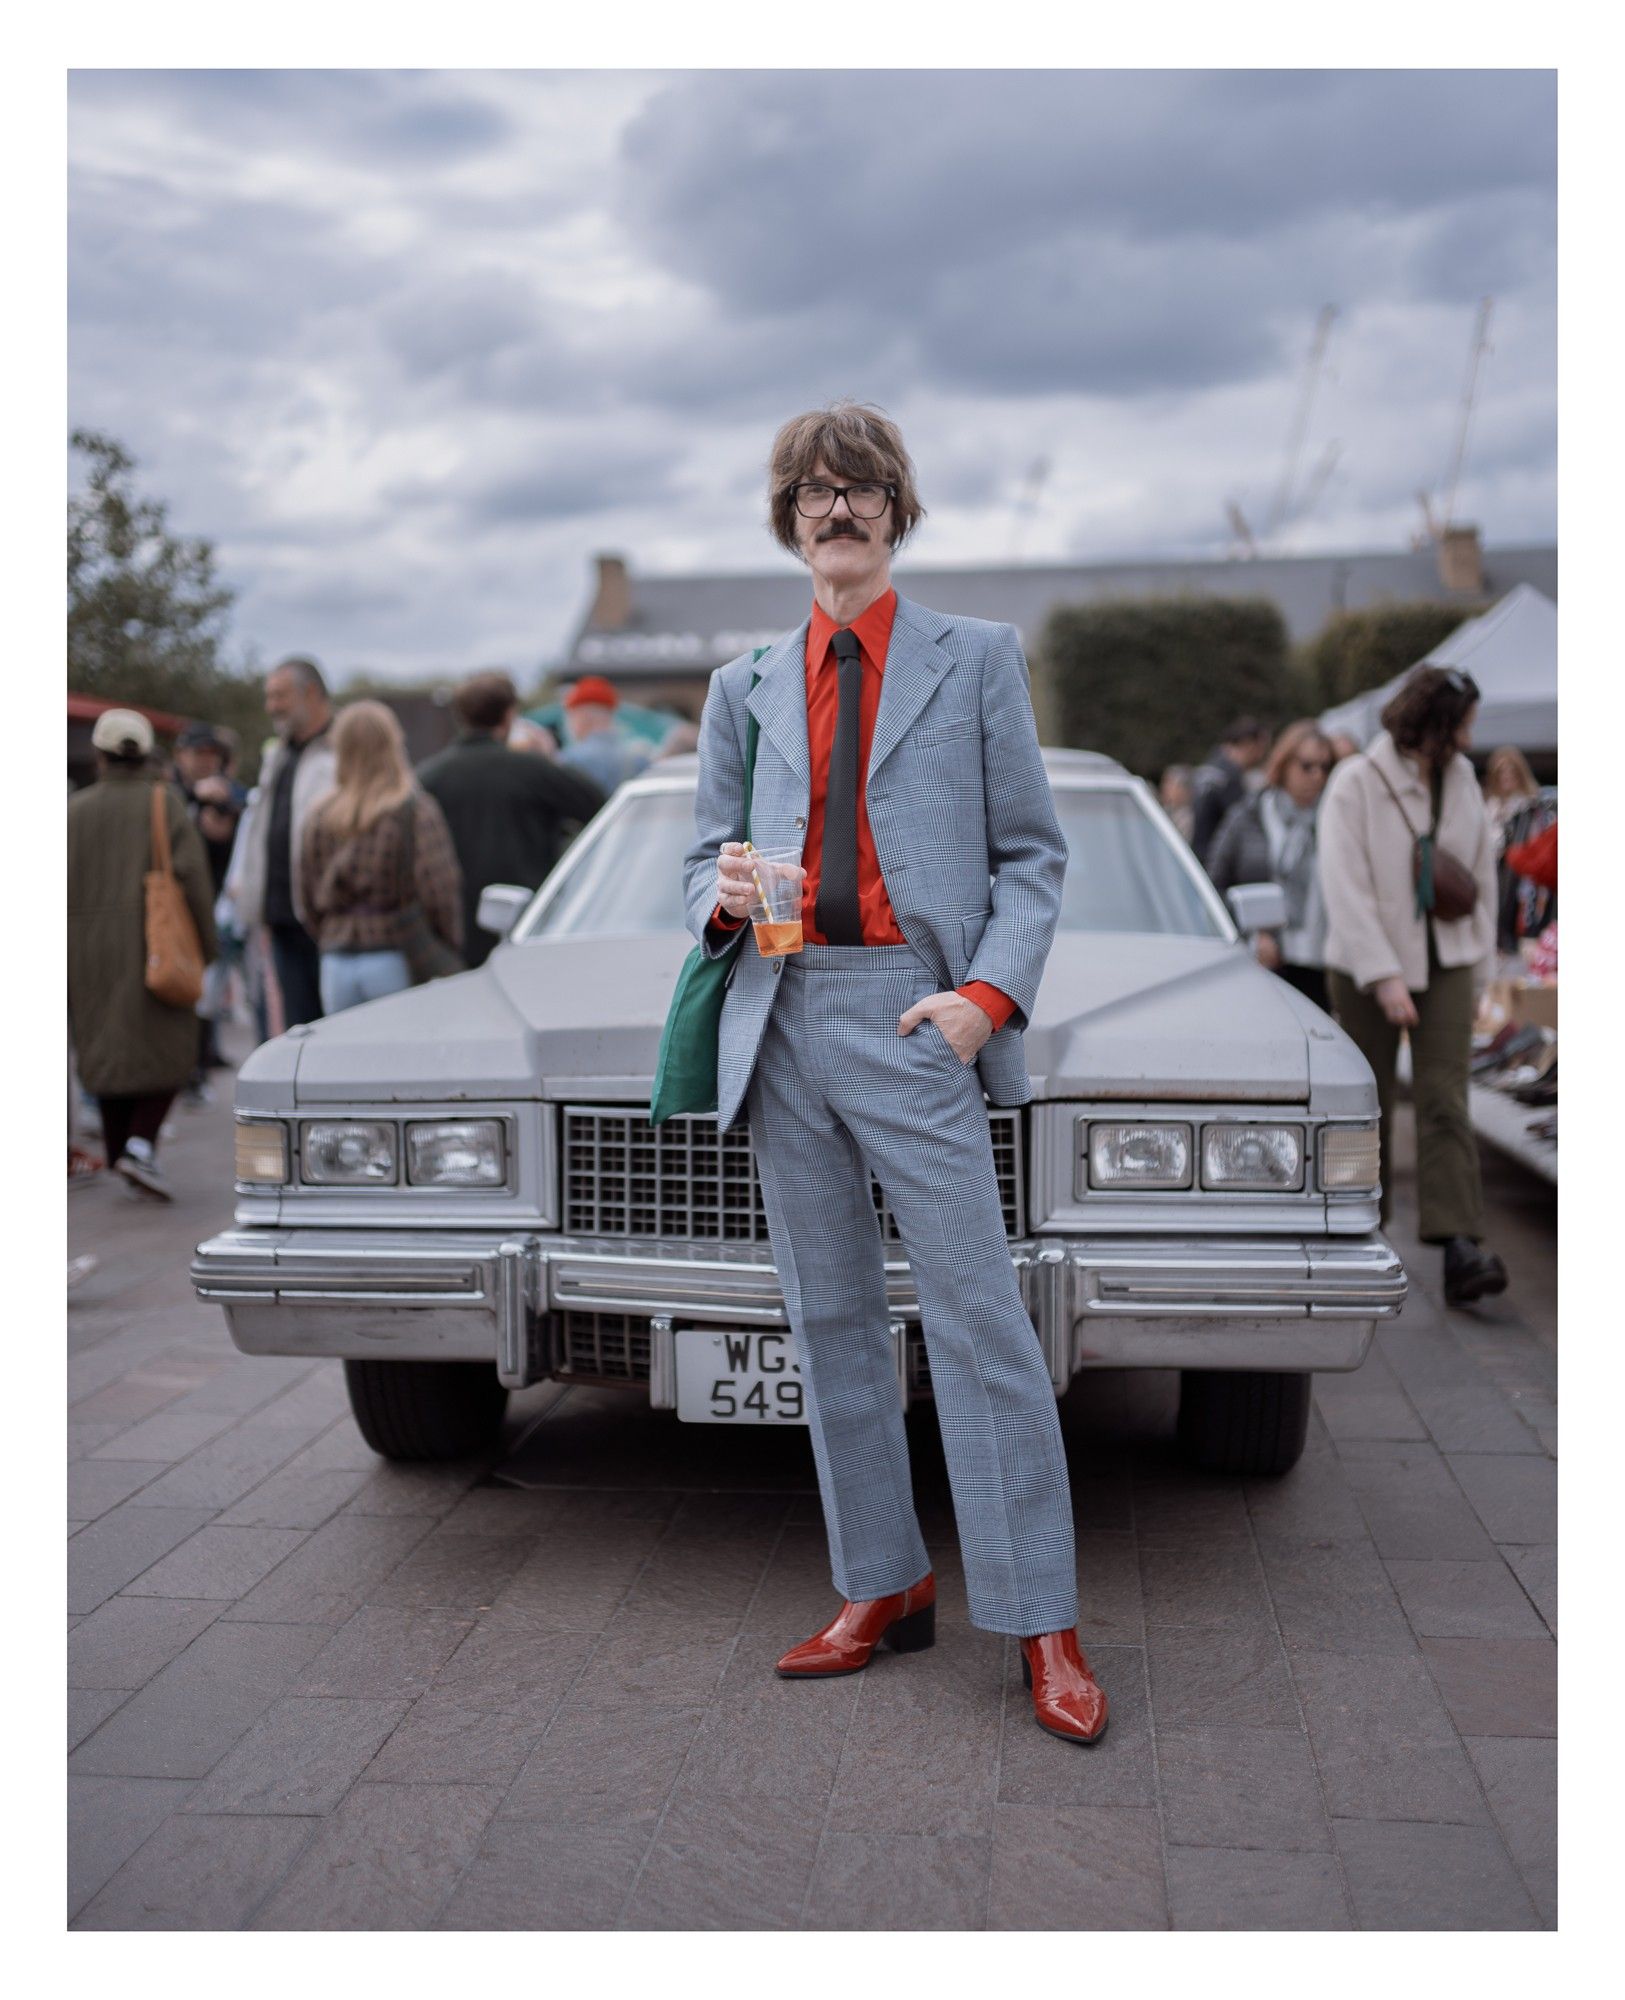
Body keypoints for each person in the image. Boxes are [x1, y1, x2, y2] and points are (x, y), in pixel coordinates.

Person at [684, 400, 1106, 1745]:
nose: (835, 507)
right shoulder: (741, 685)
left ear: (896, 506)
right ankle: (884, 1582)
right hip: (782, 1014)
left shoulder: (975, 658)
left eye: (858, 486)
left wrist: (985, 1000)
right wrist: (726, 896)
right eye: (810, 490)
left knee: (982, 1327)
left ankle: (1042, 1619)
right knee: (829, 1327)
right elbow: (701, 859)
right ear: (786, 517)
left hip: (917, 1017)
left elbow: (1033, 855)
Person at [1319, 667, 1507, 1307]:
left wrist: (1483, 970)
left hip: (1449, 959)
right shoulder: (1355, 783)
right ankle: (1358, 1229)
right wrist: (1383, 974)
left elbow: (1480, 875)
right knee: (1364, 1102)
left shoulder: (1462, 781)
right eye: (1465, 721)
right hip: (1367, 963)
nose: (1472, 734)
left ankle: (1459, 1244)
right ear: (1437, 722)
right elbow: (1345, 889)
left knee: (1446, 1099)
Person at [67, 708, 218, 1200]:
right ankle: (138, 1144)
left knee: (104, 1048)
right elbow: (192, 878)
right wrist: (206, 945)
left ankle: (122, 1150)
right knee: (172, 1045)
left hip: (85, 949)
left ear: (101, 752)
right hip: (153, 943)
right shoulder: (164, 802)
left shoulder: (74, 810)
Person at [418, 671, 607, 968]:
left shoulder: (428, 778)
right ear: (509, 716)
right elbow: (600, 807)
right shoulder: (535, 771)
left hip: (454, 932)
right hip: (529, 925)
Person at [298, 701, 463, 1014]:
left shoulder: (319, 815)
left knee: (346, 1058)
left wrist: (332, 931)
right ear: (392, 743)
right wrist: (445, 941)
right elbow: (439, 889)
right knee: (401, 1057)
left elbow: (306, 893)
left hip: (335, 959)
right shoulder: (413, 810)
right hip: (396, 953)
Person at [229, 657, 336, 1027]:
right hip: (282, 916)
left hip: (328, 917)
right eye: (269, 697)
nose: (271, 706)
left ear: (310, 693)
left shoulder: (341, 750)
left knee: (334, 1024)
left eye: (279, 696)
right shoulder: (279, 755)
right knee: (297, 1027)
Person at [1205, 720, 1334, 1009]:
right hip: (1264, 961)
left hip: (1322, 960)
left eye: (1325, 768)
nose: (1317, 776)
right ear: (1284, 764)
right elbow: (1213, 887)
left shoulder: (1336, 820)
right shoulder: (1249, 815)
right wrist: (1252, 929)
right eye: (1307, 766)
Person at [1190, 715, 1272, 866]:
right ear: (1248, 744)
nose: (1261, 755)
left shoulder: (1210, 767)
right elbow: (1241, 821)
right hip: (1213, 860)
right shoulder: (1229, 778)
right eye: (1261, 748)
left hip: (1198, 854)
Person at [556, 676, 655, 794]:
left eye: (571, 716)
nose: (569, 724)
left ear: (583, 718)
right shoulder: (639, 759)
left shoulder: (569, 759)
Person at [1481, 745, 1539, 853]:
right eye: (1501, 772)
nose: (1506, 777)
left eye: (1511, 772)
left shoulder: (1529, 805)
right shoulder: (1491, 805)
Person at [1158, 763, 1195, 842]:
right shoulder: (1164, 811)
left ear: (1183, 790)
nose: (1165, 788)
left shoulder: (1187, 818)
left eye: (1170, 784)